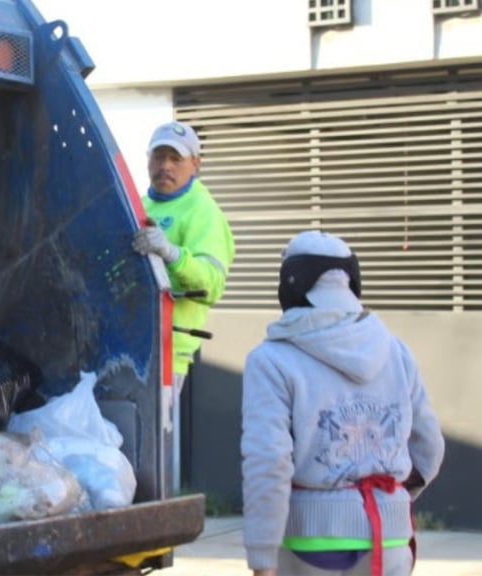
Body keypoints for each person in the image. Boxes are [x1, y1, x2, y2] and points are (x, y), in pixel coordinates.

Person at [241, 230, 445, 576]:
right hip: (390, 543)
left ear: (290, 283)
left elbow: (269, 461)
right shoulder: (396, 351)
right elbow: (430, 445)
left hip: (312, 545)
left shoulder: (271, 360)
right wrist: (393, 499)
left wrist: (262, 555)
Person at [132, 120, 235, 397]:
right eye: (159, 156)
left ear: (196, 163)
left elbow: (211, 284)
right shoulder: (136, 205)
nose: (165, 165)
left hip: (168, 354)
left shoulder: (204, 212)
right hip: (127, 347)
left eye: (176, 158)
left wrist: (172, 253)